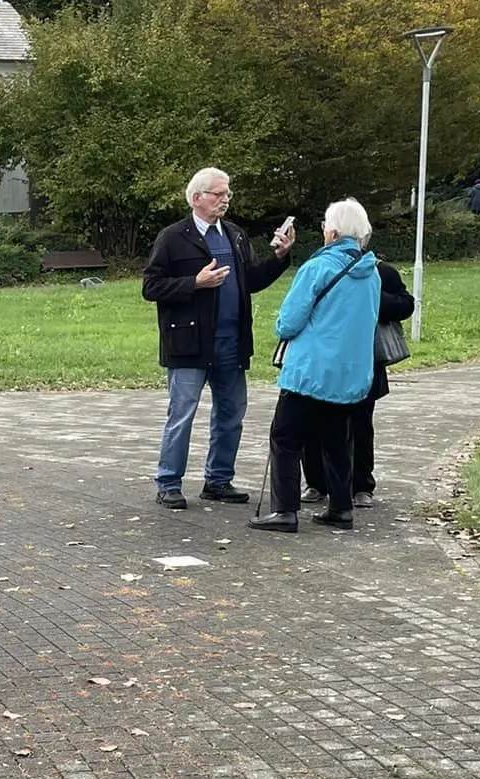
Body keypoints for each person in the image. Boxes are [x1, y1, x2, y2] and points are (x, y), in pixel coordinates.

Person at [143, 169, 296, 508]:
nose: (225, 200)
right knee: (182, 415)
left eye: (228, 194)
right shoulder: (173, 237)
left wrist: (279, 258)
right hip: (189, 343)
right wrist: (194, 283)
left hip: (231, 342)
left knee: (231, 414)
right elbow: (151, 287)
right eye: (218, 194)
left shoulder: (235, 234)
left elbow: (251, 281)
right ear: (197, 198)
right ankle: (168, 483)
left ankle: (218, 480)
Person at [250, 199, 381, 534]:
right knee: (337, 439)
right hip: (349, 371)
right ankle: (341, 508)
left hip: (309, 369)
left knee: (285, 437)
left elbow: (289, 321)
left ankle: (284, 510)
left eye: (325, 224)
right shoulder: (372, 271)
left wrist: (281, 326)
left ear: (332, 232)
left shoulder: (317, 267)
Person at [302, 259, 412, 510]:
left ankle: (362, 486)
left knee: (360, 423)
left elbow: (406, 305)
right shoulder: (318, 268)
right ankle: (316, 483)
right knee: (313, 421)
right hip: (323, 357)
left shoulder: (380, 271)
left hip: (364, 359)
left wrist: (371, 296)